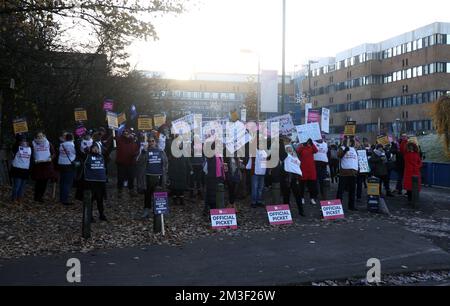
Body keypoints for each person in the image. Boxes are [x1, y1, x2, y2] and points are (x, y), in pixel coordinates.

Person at [143, 134, 168, 218]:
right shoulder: (145, 151)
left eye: (152, 141)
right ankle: (146, 210)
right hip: (148, 176)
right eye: (149, 141)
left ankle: (158, 211)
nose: (151, 143)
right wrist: (143, 152)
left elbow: (166, 162)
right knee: (147, 194)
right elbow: (140, 163)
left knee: (158, 194)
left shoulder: (161, 151)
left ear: (156, 142)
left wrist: (164, 172)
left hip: (159, 176)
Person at [84, 143, 107, 222]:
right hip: (91, 181)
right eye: (93, 148)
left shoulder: (102, 156)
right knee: (90, 200)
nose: (95, 149)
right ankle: (90, 216)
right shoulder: (87, 156)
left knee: (100, 199)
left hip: (101, 181)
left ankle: (101, 215)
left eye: (97, 148)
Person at [280, 139, 304, 216]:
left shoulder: (295, 157)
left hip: (295, 178)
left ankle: (301, 211)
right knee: (286, 196)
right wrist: (281, 142)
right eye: (288, 148)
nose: (290, 149)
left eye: (290, 148)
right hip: (286, 178)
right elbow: (282, 152)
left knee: (298, 195)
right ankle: (286, 212)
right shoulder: (285, 156)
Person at [31, 131, 56, 203]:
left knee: (45, 182)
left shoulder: (48, 143)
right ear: (36, 137)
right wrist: (33, 160)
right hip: (38, 165)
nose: (40, 137)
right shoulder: (33, 143)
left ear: (43, 136)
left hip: (47, 165)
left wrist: (51, 158)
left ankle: (41, 197)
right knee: (38, 182)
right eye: (38, 136)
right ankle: (36, 197)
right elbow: (30, 153)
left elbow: (53, 153)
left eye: (41, 136)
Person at [115, 128, 139, 198]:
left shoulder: (134, 141)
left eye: (127, 132)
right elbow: (113, 137)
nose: (126, 133)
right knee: (120, 178)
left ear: (130, 133)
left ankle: (131, 190)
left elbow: (137, 149)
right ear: (122, 133)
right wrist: (113, 130)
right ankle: (120, 191)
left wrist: (135, 154)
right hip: (121, 163)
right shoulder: (119, 140)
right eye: (124, 132)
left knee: (131, 177)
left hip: (131, 163)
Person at [336, 136, 359, 211]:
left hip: (353, 173)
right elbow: (339, 156)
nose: (350, 142)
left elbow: (356, 159)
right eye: (348, 141)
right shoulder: (342, 148)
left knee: (352, 191)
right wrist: (345, 150)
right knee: (341, 190)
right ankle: (337, 206)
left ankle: (351, 206)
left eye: (351, 141)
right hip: (344, 173)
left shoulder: (354, 149)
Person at [168, 140, 192, 205]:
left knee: (181, 188)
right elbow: (170, 163)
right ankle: (175, 200)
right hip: (174, 172)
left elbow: (187, 161)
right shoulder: (173, 153)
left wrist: (191, 169)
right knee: (174, 188)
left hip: (182, 172)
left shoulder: (184, 152)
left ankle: (181, 200)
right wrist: (169, 172)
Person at [296, 138, 319, 205]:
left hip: (311, 169)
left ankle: (312, 198)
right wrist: (302, 144)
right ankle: (302, 198)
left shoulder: (311, 147)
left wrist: (312, 143)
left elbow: (316, 150)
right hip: (303, 169)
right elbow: (298, 151)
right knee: (302, 185)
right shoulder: (301, 147)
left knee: (312, 185)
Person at [10, 135, 32, 203]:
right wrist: (18, 135)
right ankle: (14, 199)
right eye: (22, 141)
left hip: (25, 169)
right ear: (19, 142)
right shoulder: (17, 147)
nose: (24, 142)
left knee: (22, 186)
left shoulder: (29, 149)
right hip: (17, 169)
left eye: (25, 141)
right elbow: (14, 146)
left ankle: (20, 198)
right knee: (17, 185)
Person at [57, 132, 77, 205]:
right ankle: (64, 200)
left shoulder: (61, 144)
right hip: (69, 164)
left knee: (62, 182)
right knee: (67, 183)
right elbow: (74, 152)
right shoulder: (72, 145)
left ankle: (61, 198)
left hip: (61, 163)